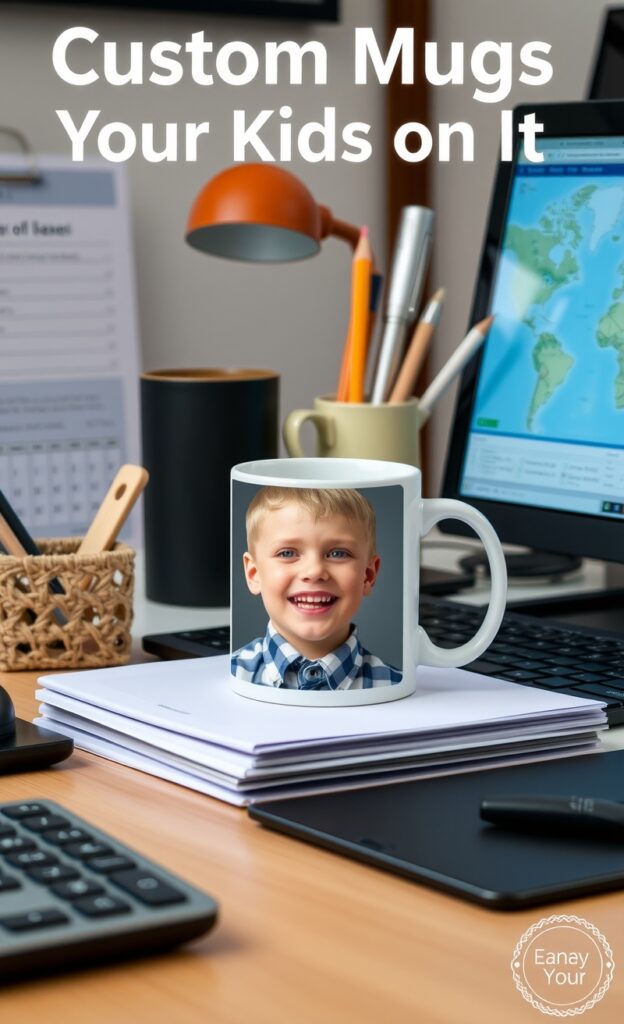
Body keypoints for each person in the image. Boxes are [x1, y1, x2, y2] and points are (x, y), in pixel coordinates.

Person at [231, 486, 402, 691]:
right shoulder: (229, 676)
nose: (314, 571)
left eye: (338, 553)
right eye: (287, 553)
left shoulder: (394, 686)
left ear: (368, 575)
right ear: (254, 574)